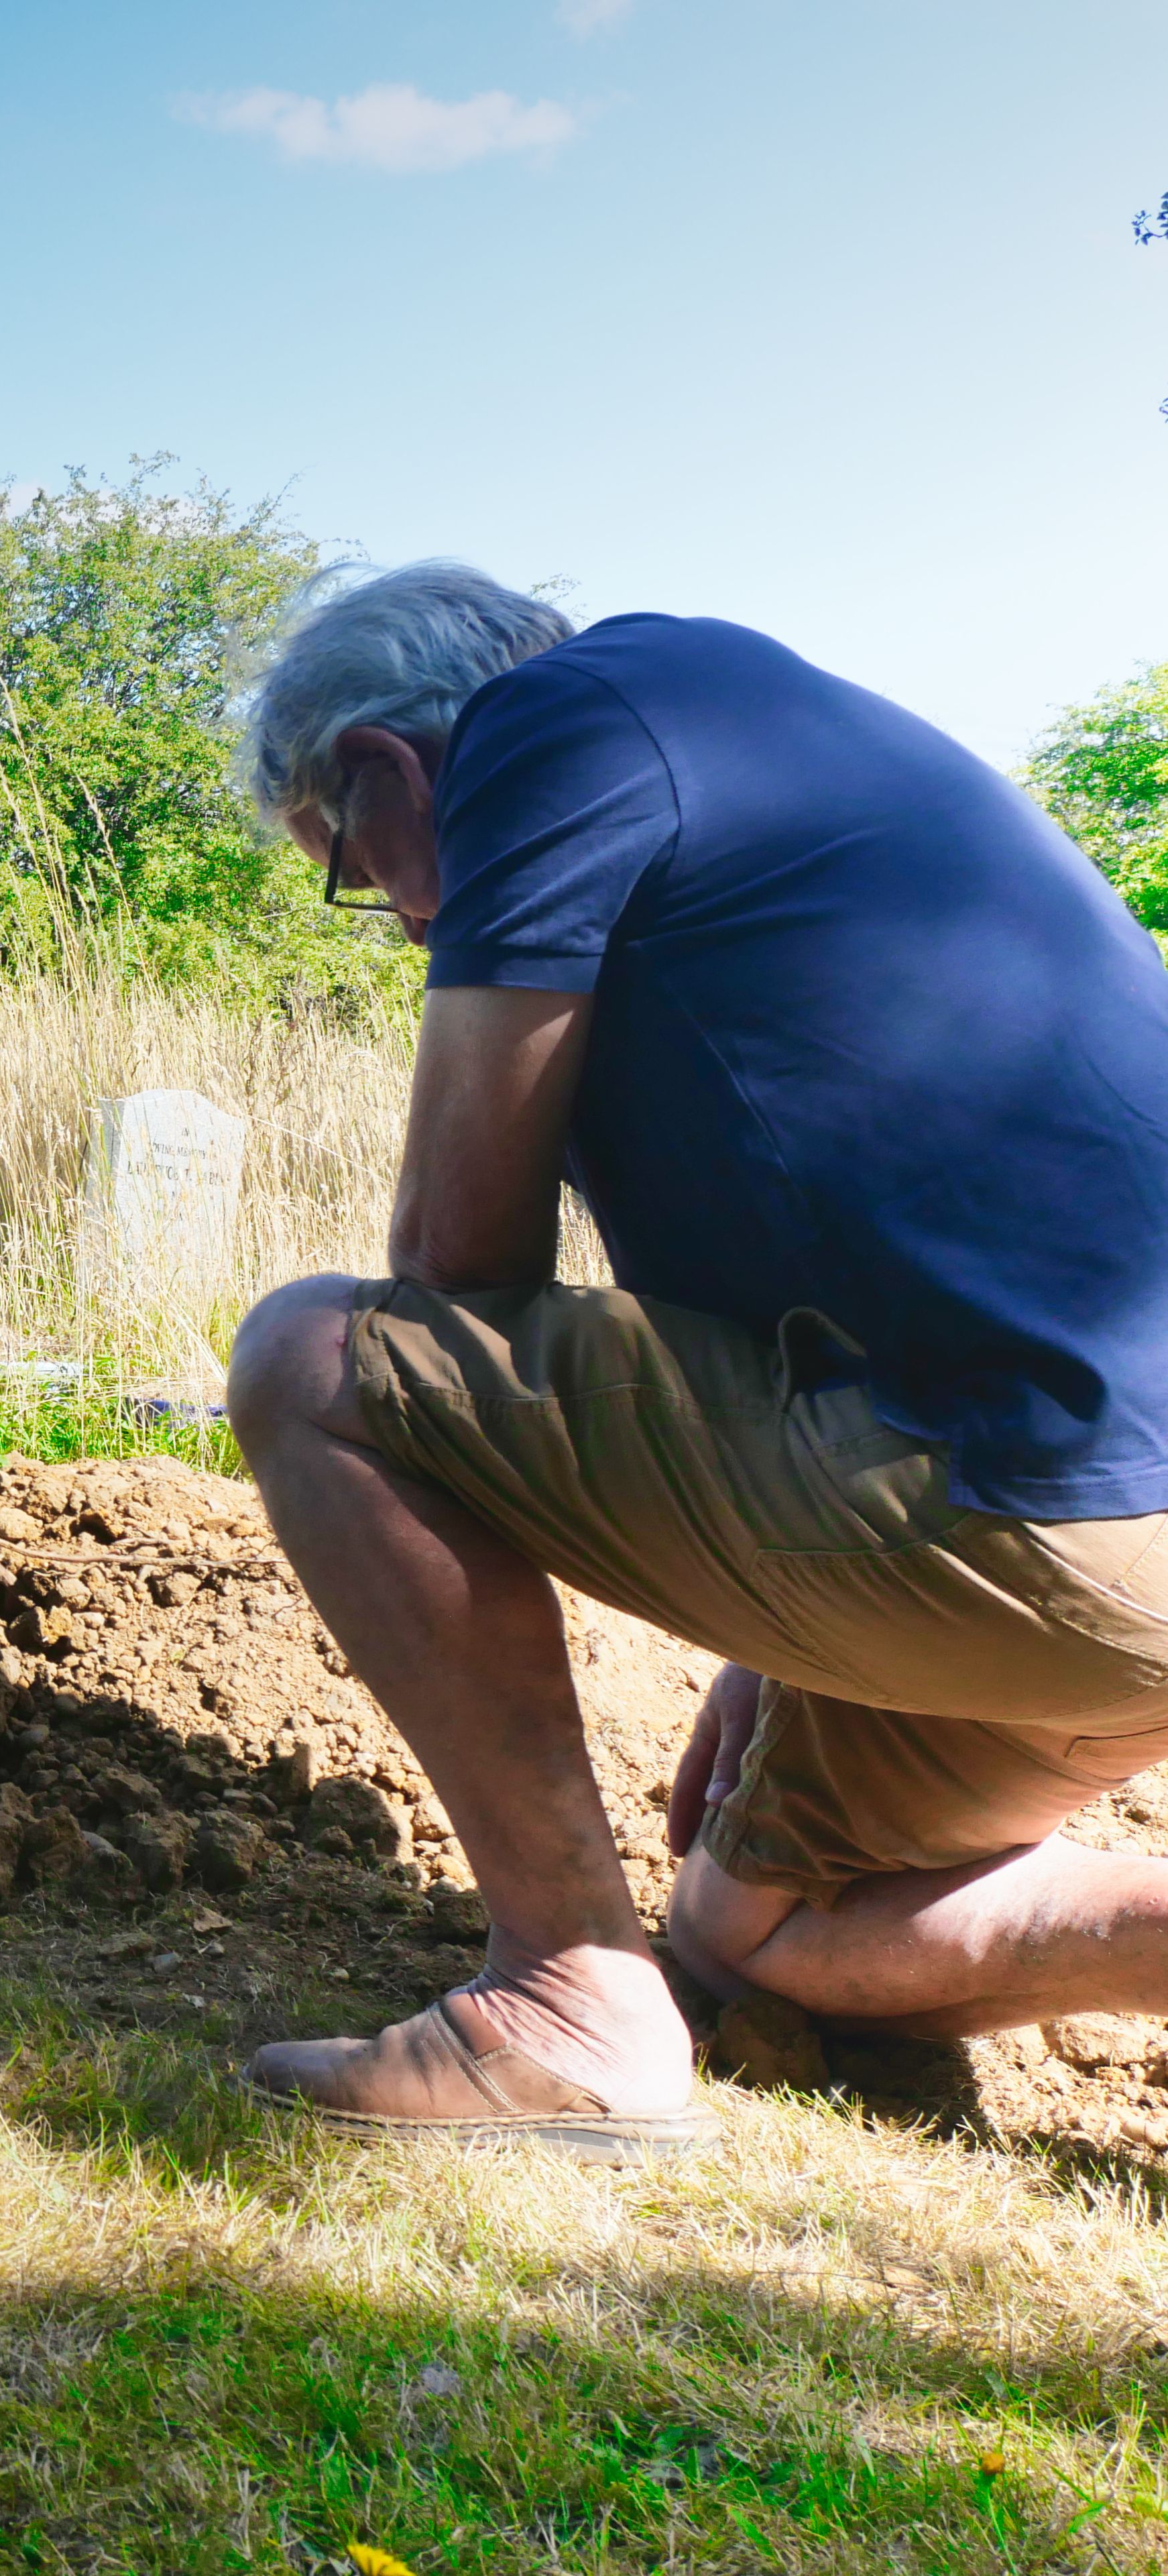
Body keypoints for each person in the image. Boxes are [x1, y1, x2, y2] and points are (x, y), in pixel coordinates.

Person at [220, 564, 1168, 2162]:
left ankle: (566, 1997)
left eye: (355, 872)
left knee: (315, 1360)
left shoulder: (544, 731)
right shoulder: (761, 735)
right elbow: (866, 1265)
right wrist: (783, 1627)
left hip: (1048, 1523)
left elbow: (458, 1267)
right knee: (756, 1936)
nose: (398, 921)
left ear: (385, 768)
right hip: (1091, 1530)